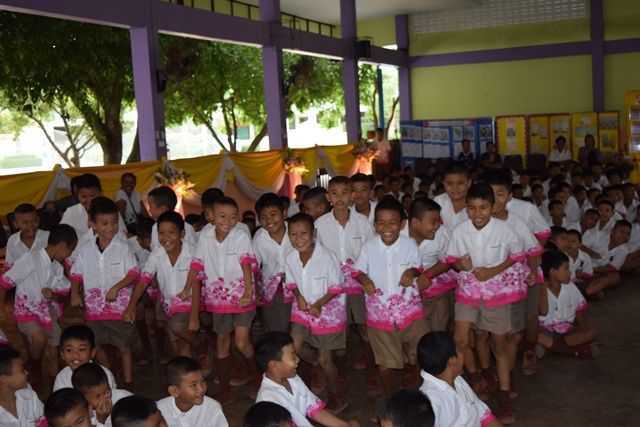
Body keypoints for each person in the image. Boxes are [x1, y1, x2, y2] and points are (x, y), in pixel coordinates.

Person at [447, 183, 528, 424]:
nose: (477, 213)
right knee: (460, 339)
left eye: (483, 207)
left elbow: (517, 255)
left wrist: (493, 271)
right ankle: (468, 382)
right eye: (472, 208)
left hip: (496, 294)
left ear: (492, 207)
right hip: (468, 291)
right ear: (467, 209)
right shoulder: (460, 231)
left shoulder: (504, 230)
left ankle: (504, 393)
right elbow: (452, 258)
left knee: (498, 344)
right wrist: (460, 265)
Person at [354, 197, 425, 397]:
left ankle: (419, 392)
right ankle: (391, 398)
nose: (386, 228)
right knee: (386, 364)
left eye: (392, 223)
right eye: (381, 223)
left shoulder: (409, 244)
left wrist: (411, 272)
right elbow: (357, 271)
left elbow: (418, 267)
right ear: (375, 225)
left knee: (418, 353)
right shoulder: (368, 247)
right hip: (380, 314)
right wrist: (364, 280)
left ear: (402, 224)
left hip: (410, 312)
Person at [190, 196, 258, 403]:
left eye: (233, 217)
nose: (228, 221)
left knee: (241, 341)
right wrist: (187, 288)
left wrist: (248, 291)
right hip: (218, 298)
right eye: (222, 216)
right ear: (210, 216)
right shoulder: (205, 236)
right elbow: (197, 264)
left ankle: (257, 377)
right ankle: (224, 388)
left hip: (242, 296)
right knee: (222, 340)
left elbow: (246, 263)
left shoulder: (241, 235)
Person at [70, 197, 139, 386]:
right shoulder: (85, 250)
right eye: (104, 223)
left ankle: (128, 382)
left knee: (124, 346)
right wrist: (74, 293)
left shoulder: (123, 248)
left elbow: (134, 273)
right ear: (92, 224)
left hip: (119, 309)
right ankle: (109, 376)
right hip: (94, 310)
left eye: (114, 223)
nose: (110, 228)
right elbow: (76, 274)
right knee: (97, 344)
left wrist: (117, 287)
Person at [0, 224, 78, 386]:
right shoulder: (30, 259)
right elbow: (4, 282)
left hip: (47, 311)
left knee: (54, 345)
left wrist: (53, 295)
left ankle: (54, 381)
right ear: (62, 246)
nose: (69, 255)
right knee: (39, 337)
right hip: (26, 311)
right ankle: (34, 363)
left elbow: (64, 293)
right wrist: (1, 308)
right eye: (70, 250)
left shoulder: (57, 267)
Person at [285, 213, 347, 412]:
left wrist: (320, 303)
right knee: (293, 348)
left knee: (325, 360)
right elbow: (291, 283)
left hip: (327, 311)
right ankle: (314, 367)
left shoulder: (327, 257)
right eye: (293, 234)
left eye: (303, 233)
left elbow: (336, 287)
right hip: (302, 309)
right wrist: (298, 296)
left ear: (314, 234)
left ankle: (337, 396)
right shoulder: (291, 257)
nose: (298, 239)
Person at [486, 175, 543, 379]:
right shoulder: (478, 221)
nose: (495, 199)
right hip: (489, 285)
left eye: (500, 194)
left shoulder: (516, 222)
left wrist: (533, 271)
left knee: (516, 330)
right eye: (490, 195)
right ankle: (499, 372)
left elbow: (534, 250)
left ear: (509, 197)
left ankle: (508, 373)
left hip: (517, 282)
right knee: (494, 333)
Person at [316, 177, 374, 370]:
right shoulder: (320, 224)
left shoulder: (362, 223)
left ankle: (370, 362)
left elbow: (370, 251)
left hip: (358, 281)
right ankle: (338, 366)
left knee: (363, 323)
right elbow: (317, 253)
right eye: (334, 193)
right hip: (332, 283)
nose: (339, 198)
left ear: (352, 196)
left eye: (344, 193)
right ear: (328, 197)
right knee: (339, 326)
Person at [124, 212, 199, 357]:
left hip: (190, 302)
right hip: (168, 305)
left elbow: (196, 284)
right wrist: (131, 306)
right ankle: (192, 364)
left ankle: (200, 343)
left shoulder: (192, 252)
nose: (166, 238)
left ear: (182, 234)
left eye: (171, 233)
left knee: (176, 327)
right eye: (161, 233)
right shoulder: (157, 254)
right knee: (177, 345)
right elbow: (144, 280)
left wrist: (194, 317)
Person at [254, 332, 359, 427]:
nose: (298, 359)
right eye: (293, 356)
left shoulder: (292, 378)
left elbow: (312, 408)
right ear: (274, 365)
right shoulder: (268, 400)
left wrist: (343, 425)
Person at [417, 332, 502, 427]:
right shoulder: (431, 401)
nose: (463, 354)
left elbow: (483, 415)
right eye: (460, 351)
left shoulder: (457, 380)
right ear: (452, 360)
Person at [538, 250, 597, 358]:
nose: (570, 272)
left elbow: (579, 312)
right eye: (566, 269)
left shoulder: (570, 286)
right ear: (552, 271)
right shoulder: (541, 289)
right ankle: (574, 351)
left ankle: (553, 347)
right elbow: (541, 312)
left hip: (567, 331)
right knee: (539, 336)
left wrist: (583, 329)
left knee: (591, 332)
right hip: (546, 331)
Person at [409, 198, 456, 332]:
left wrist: (426, 276)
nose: (437, 225)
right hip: (407, 284)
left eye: (439, 221)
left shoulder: (442, 234)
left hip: (435, 277)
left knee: (438, 327)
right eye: (433, 222)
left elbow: (447, 260)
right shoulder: (398, 234)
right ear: (415, 223)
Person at [253, 193, 293, 333]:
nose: (269, 220)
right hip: (272, 289)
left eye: (273, 214)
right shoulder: (259, 237)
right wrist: (256, 291)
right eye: (263, 217)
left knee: (299, 326)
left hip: (299, 284)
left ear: (284, 213)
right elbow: (254, 266)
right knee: (276, 328)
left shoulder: (295, 230)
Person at [156, 357, 228, 427]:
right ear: (174, 391)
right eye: (194, 385)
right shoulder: (159, 410)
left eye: (203, 381)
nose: (201, 389)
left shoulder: (212, 408)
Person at [60, 174, 127, 246]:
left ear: (101, 193)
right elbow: (62, 237)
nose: (89, 200)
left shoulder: (111, 210)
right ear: (77, 196)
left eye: (92, 196)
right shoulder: (70, 212)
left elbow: (123, 235)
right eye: (83, 196)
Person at [54, 325, 117, 391]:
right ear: (62, 354)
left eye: (81, 349)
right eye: (69, 350)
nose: (75, 355)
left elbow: (109, 396)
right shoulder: (62, 377)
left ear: (92, 352)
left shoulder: (103, 374)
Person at [71, 363, 132, 427]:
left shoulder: (123, 398)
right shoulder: (84, 415)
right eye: (98, 396)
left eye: (107, 391)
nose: (106, 397)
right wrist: (101, 421)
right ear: (84, 399)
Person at [585, 220, 631, 298]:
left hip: (596, 272)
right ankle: (589, 291)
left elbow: (611, 268)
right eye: (622, 232)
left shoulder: (624, 249)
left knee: (615, 277)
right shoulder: (597, 235)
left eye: (628, 234)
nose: (624, 236)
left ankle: (587, 291)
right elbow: (580, 246)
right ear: (612, 231)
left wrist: (591, 270)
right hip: (579, 266)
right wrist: (591, 252)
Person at [0, 346, 44, 426]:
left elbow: (44, 421)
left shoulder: (29, 394)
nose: (27, 373)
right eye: (22, 370)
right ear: (3, 378)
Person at [147, 186, 198, 251]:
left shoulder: (187, 227)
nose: (149, 210)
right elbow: (155, 251)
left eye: (150, 206)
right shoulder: (188, 226)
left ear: (163, 209)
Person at [5, 203, 49, 269]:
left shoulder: (48, 237)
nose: (30, 225)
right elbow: (10, 266)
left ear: (38, 219)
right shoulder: (12, 240)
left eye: (34, 221)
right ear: (16, 224)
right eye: (25, 223)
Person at [433, 165, 471, 232]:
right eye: (449, 183)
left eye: (460, 183)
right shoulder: (438, 201)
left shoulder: (477, 205)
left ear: (469, 183)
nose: (455, 188)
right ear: (443, 183)